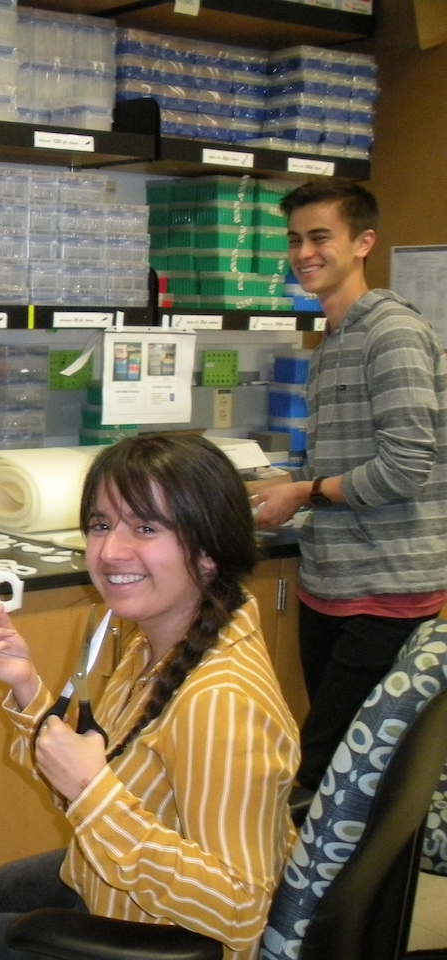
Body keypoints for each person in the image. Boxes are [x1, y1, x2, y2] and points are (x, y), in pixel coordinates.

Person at [0, 433, 299, 960]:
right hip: (117, 889)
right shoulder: (158, 641)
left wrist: (91, 791)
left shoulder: (223, 703)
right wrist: (26, 687)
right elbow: (97, 772)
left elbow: (241, 911)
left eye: (145, 528)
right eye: (101, 525)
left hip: (162, 937)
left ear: (208, 551)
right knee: (5, 890)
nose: (109, 552)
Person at [248, 179, 447, 792]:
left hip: (387, 592)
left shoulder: (391, 333)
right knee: (349, 778)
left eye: (320, 237)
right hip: (332, 584)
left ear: (364, 242)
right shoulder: (333, 339)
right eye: (294, 240)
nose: (304, 253)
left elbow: (406, 467)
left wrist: (305, 493)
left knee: (329, 778)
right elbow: (355, 461)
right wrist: (294, 482)